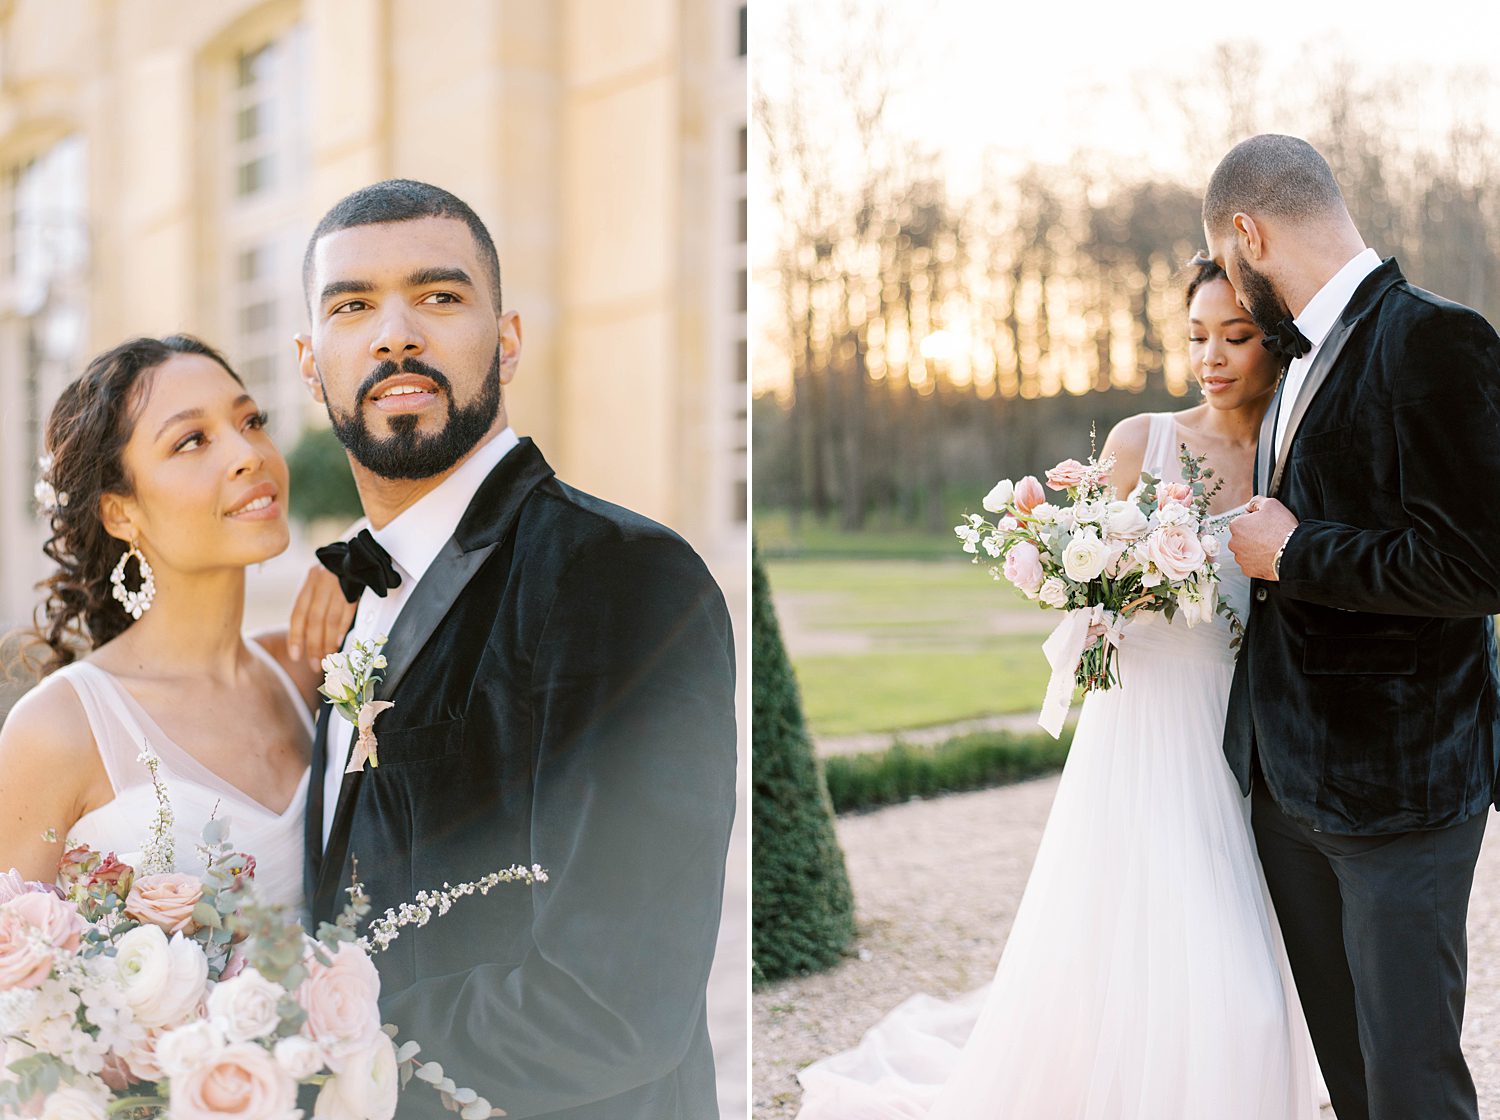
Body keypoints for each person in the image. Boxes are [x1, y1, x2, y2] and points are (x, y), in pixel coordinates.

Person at [792, 259, 1317, 1120]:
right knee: (1132, 934)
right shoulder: (1140, 441)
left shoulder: (1287, 460)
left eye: (1235, 337)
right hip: (1141, 729)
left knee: (1240, 964)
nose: (1211, 358)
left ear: (1276, 339)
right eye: (1195, 337)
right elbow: (1089, 587)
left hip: (1237, 732)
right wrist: (1093, 584)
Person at [296, 179, 737, 1120]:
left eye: (440, 297)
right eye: (353, 306)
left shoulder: (618, 575)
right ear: (309, 361)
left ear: (509, 339)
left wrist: (308, 1069)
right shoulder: (346, 601)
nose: (395, 333)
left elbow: (613, 1003)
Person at [1210, 133, 1500, 1120]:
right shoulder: (1290, 365)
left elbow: (1477, 565)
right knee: (1352, 1086)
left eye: (1228, 256)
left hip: (1399, 797)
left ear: (1246, 232)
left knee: (1413, 1086)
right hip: (1286, 791)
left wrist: (1296, 553)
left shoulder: (1439, 339)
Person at [0, 335, 351, 906]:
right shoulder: (59, 729)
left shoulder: (309, 668)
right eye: (192, 440)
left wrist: (366, 562)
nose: (249, 453)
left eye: (252, 420)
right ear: (120, 511)